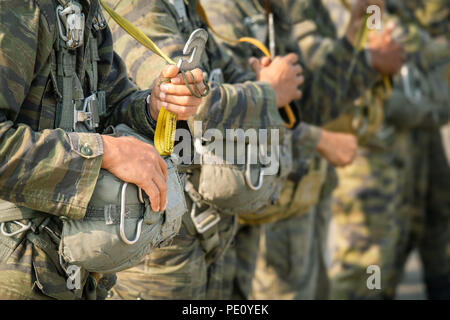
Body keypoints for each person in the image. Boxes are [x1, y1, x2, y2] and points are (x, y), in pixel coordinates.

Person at [195, 0, 403, 300]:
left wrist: (354, 36)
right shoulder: (222, 12)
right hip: (238, 207)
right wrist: (314, 138)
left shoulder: (275, 9)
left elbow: (308, 104)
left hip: (287, 195)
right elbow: (215, 121)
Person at [0, 0, 205, 299]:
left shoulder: (86, 9)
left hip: (72, 270)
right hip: (15, 269)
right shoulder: (17, 9)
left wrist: (154, 107)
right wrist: (102, 152)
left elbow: (109, 104)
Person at [105, 0, 304, 300]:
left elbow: (230, 75)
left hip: (204, 230)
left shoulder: (184, 6)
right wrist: (268, 92)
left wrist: (258, 82)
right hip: (161, 246)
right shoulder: (138, 7)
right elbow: (184, 98)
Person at [327, 0, 449, 299]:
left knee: (395, 244)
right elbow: (391, 37)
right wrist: (435, 47)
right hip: (365, 145)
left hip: (395, 134)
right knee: (367, 260)